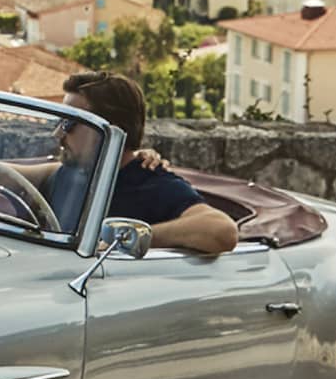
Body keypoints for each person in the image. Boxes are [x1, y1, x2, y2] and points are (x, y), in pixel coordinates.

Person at [51, 72, 238, 254]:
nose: (58, 133)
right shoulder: (71, 173)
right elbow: (21, 176)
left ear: (109, 132)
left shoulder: (152, 184)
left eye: (70, 123)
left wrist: (126, 239)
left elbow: (222, 231)